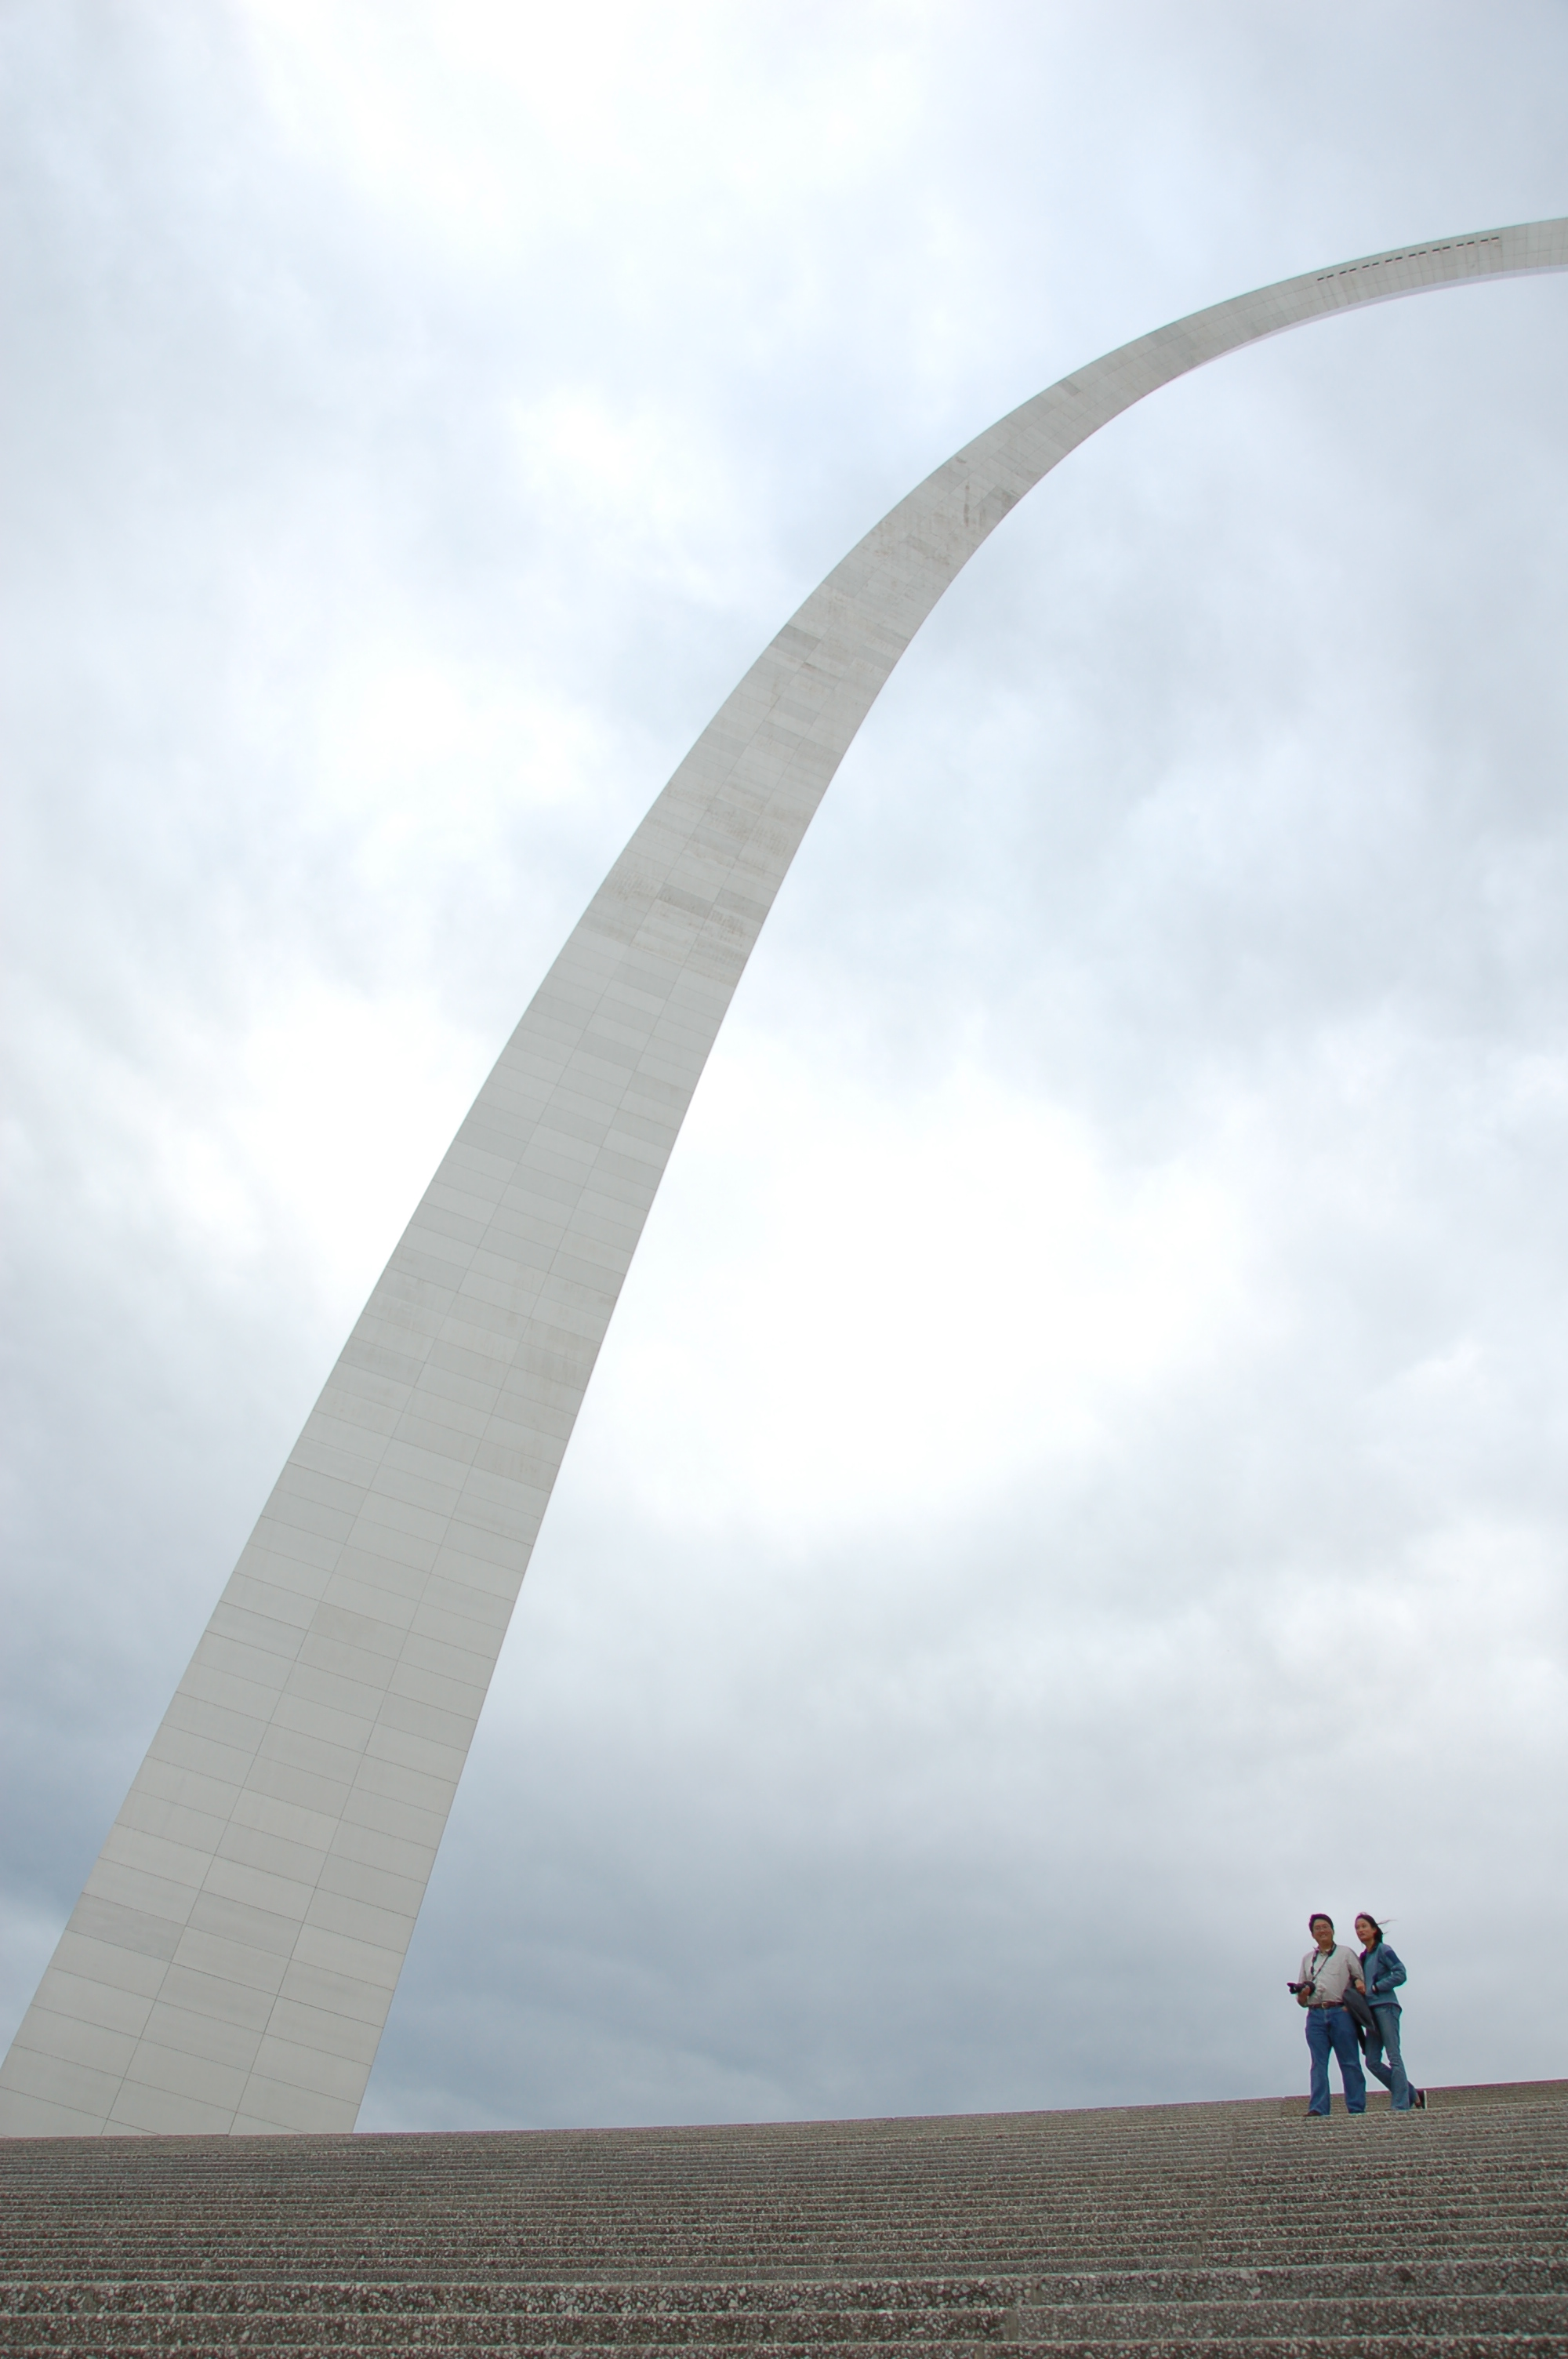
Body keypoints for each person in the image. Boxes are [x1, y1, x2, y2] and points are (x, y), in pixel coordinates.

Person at [1290, 1911, 1367, 2117]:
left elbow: (1360, 1980)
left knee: (1350, 2062)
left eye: (1325, 1927)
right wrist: (1303, 1993)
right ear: (1312, 1935)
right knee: (1318, 2064)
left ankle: (1357, 2108)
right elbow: (1301, 2001)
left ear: (1333, 1930)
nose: (1322, 1931)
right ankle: (1318, 2108)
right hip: (1315, 2014)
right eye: (1318, 1928)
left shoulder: (1345, 1953)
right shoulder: (1308, 1959)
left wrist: (1355, 1995)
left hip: (1341, 2012)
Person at [1356, 1912, 1425, 2112]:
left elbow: (1400, 1973)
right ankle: (1411, 2093)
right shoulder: (1363, 1957)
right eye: (1357, 1928)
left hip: (1386, 2006)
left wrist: (1377, 1987)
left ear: (1374, 1930)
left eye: (1364, 1926)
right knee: (1372, 2061)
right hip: (1370, 2013)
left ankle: (1401, 2104)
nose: (1360, 1931)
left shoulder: (1384, 1950)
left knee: (1393, 2055)